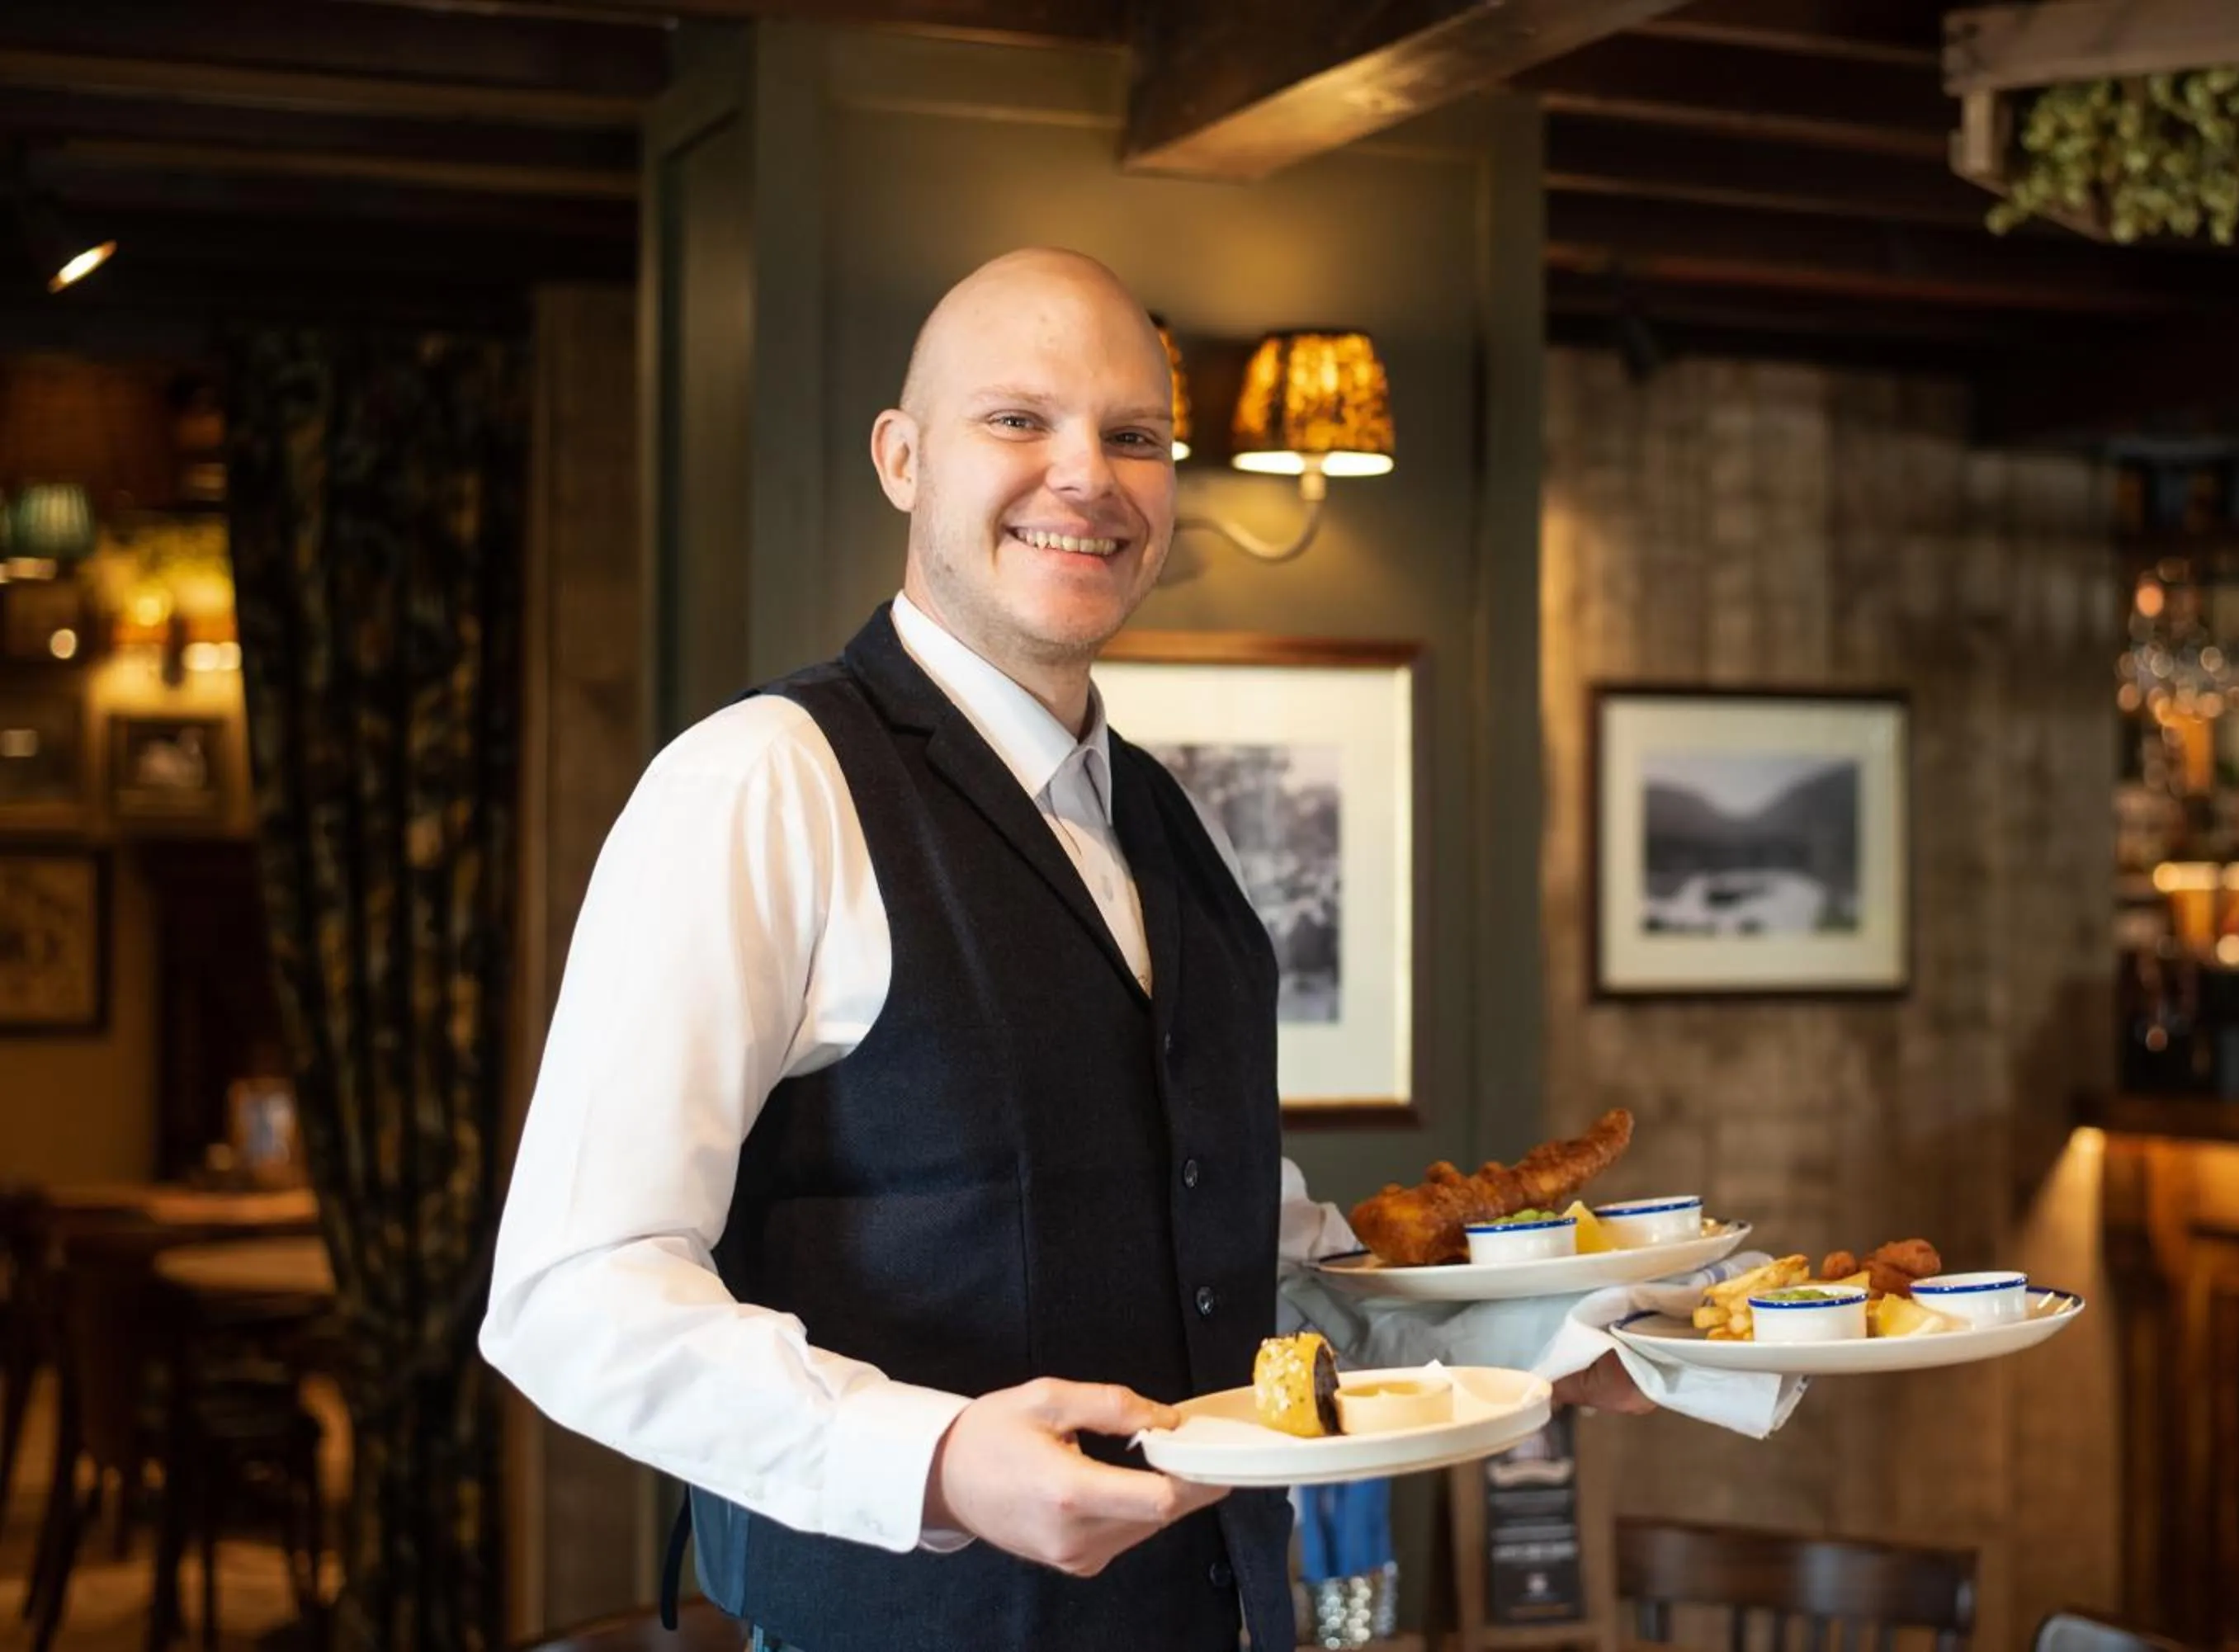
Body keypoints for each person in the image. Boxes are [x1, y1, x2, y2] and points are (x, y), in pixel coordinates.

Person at [480, 247, 1646, 1652]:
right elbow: (572, 1291)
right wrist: (938, 1458)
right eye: (1018, 419)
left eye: (1135, 435)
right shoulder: (760, 783)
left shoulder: (1162, 817)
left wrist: (1553, 1342)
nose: (1086, 473)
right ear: (902, 458)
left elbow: (1235, 1255)